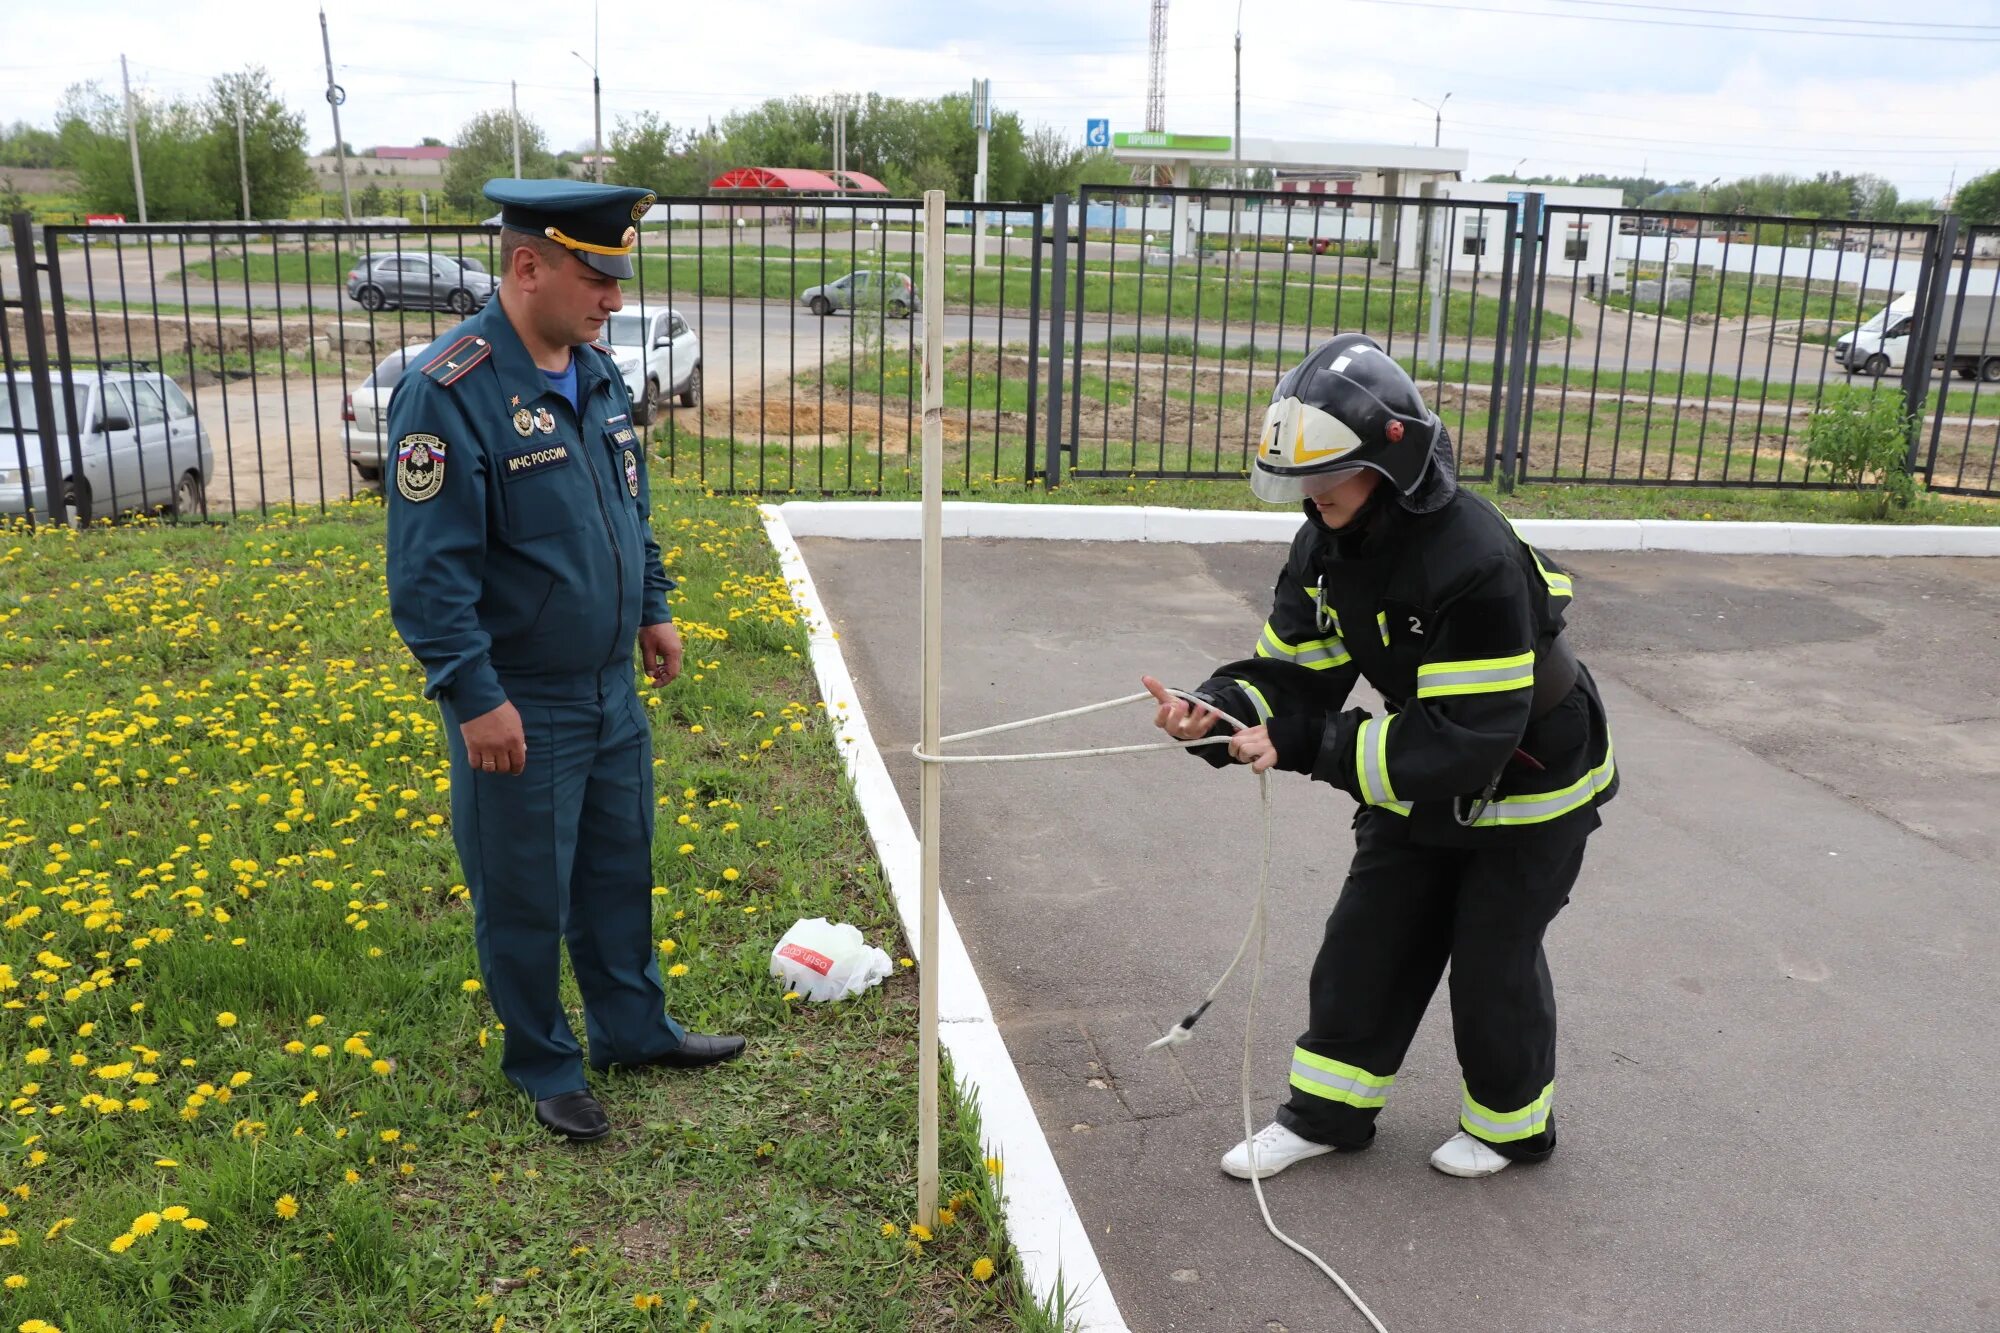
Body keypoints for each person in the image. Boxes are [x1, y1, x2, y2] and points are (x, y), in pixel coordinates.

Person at [1143, 332, 1616, 1180]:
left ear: (1390, 467)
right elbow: (1296, 676)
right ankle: (1327, 1115)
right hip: (1421, 755)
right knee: (1368, 939)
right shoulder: (1328, 542)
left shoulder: (1473, 557)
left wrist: (1308, 745)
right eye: (1301, 482)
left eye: (1327, 477)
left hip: (1530, 772)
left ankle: (1513, 1127)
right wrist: (1212, 714)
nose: (1309, 495)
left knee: (1491, 961)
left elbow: (1469, 740)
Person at [385, 178, 744, 1143]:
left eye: (620, 276)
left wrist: (653, 608)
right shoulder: (450, 389)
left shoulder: (598, 375)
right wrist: (473, 694)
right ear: (527, 264)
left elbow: (630, 508)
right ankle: (545, 1060)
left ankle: (634, 1027)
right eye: (597, 276)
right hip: (521, 700)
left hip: (609, 689)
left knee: (619, 867)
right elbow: (428, 576)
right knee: (525, 889)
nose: (616, 298)